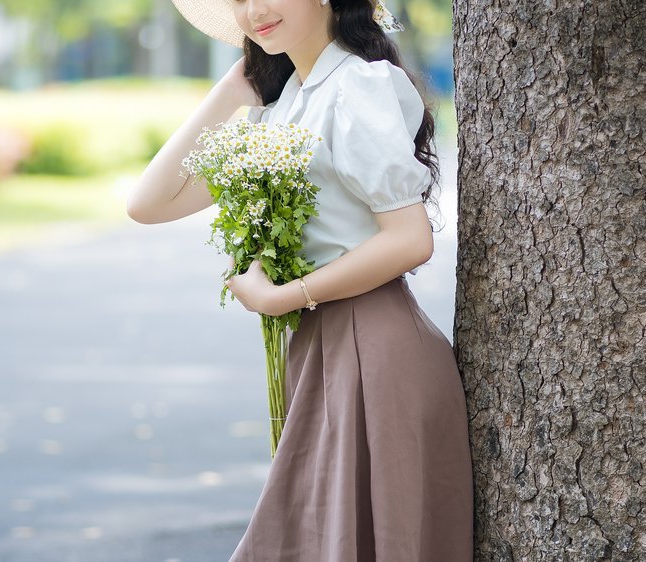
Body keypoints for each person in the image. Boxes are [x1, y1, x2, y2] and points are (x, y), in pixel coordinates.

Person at [127, 1, 474, 560]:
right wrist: (239, 84)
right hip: (318, 350)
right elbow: (148, 203)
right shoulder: (285, 105)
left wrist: (280, 296)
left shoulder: (359, 86)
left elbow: (410, 238)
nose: (253, 9)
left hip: (377, 353)